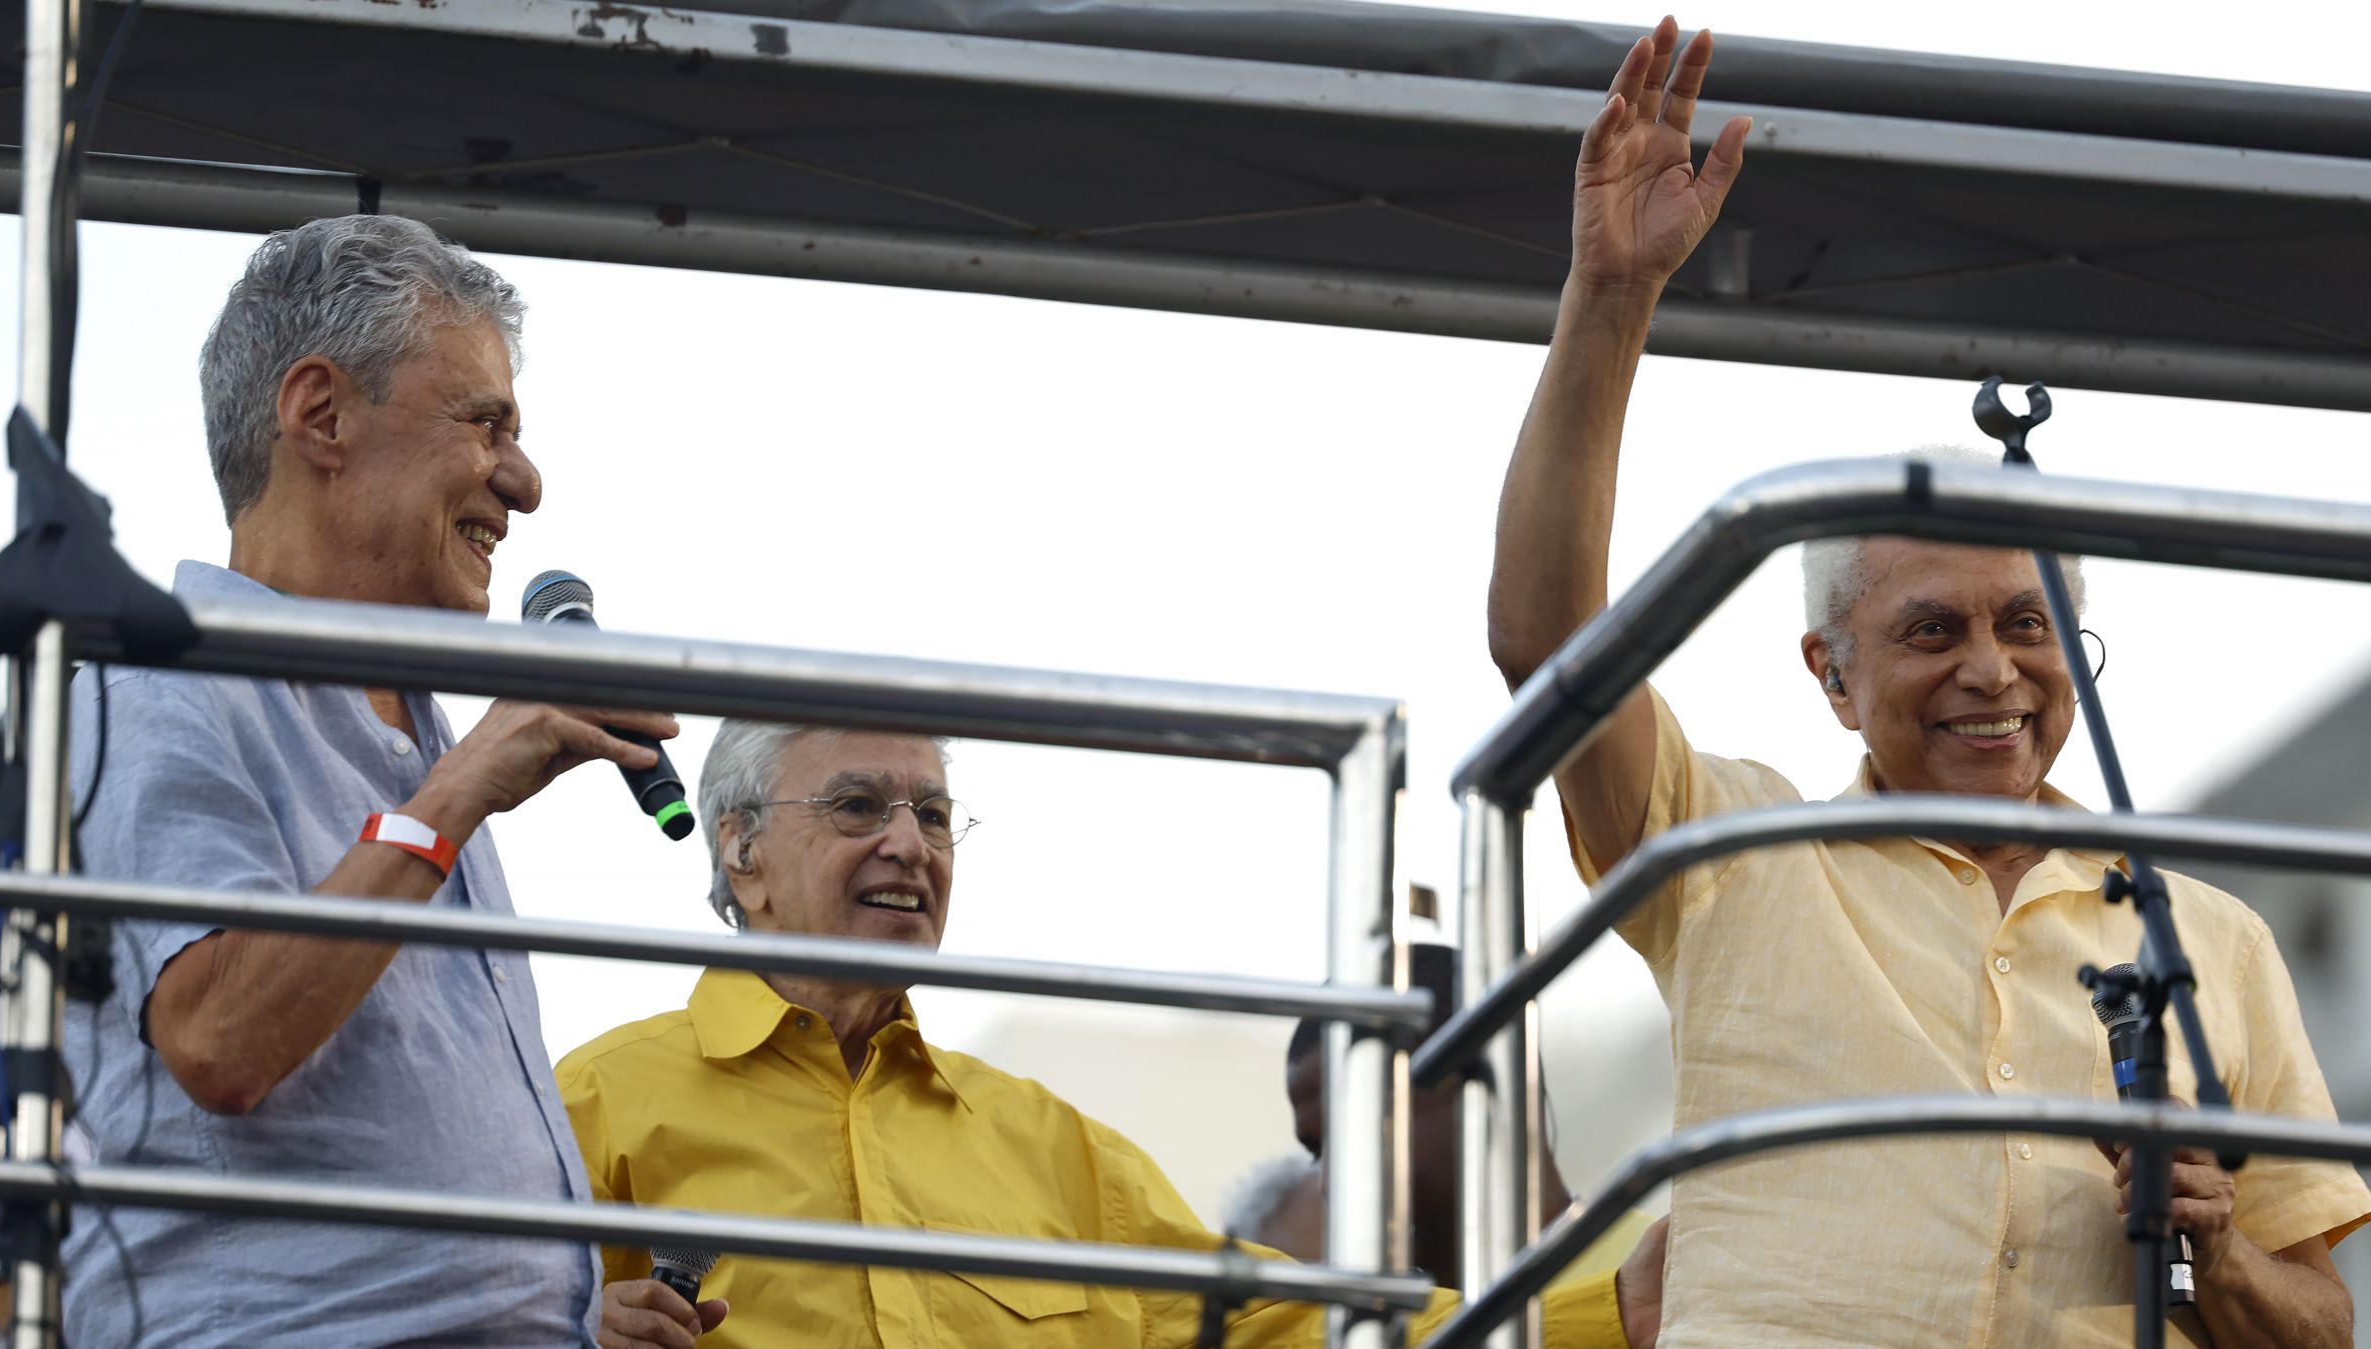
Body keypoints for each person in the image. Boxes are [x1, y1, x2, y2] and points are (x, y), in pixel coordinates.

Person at [1489, 17, 2370, 1347]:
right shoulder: (1734, 853)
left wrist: (2219, 1248)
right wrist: (1610, 297)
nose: (1991, 666)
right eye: (1930, 629)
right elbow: (1548, 642)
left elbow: (2320, 1324)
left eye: (2026, 622)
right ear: (1832, 675)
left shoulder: (2213, 939)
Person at [62, 214, 702, 1347]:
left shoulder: (421, 726)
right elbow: (217, 1036)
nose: (526, 481)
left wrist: (563, 1310)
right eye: (484, 422)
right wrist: (456, 795)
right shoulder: (157, 680)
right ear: (321, 414)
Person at [557, 721, 1651, 1348]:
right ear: (741, 852)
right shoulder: (596, 1103)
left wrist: (1609, 1317)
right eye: (857, 806)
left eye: (932, 814)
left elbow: (1288, 1328)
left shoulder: (1052, 1146)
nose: (909, 844)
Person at [1277, 944, 1655, 1289]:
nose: (1326, 1183)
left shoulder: (1663, 1287)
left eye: (1356, 1132)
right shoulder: (1382, 1321)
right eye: (1316, 1152)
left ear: (1483, 1080)